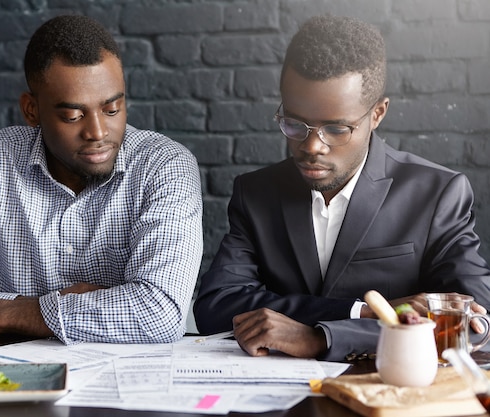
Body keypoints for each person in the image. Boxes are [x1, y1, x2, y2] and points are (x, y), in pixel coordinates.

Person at [0, 15, 203, 344]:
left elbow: (160, 315)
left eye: (112, 109)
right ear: (31, 110)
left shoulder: (164, 166)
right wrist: (92, 307)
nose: (97, 132)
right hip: (11, 379)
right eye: (72, 116)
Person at [194, 15, 490, 361]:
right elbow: (217, 306)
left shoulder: (436, 194)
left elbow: (476, 326)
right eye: (294, 123)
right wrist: (361, 311)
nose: (312, 146)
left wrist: (322, 338)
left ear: (377, 113)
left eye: (336, 129)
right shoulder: (256, 193)